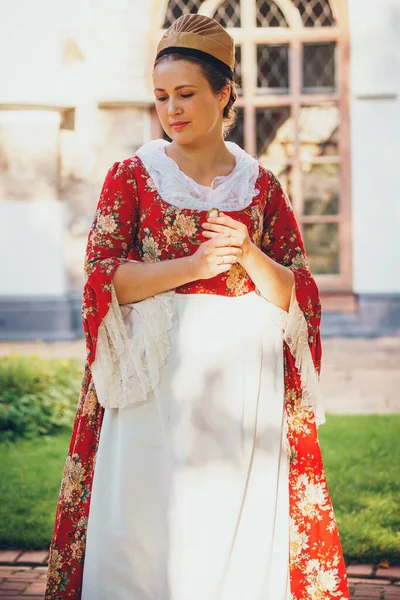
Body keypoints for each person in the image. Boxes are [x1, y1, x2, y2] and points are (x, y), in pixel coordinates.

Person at [45, 13, 350, 600]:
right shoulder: (132, 176)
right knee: (146, 514)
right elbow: (102, 279)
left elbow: (300, 294)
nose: (172, 109)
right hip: (154, 380)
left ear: (224, 93)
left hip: (244, 384)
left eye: (186, 94)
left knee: (232, 511)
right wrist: (191, 268)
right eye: (161, 97)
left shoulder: (262, 187)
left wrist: (251, 257)